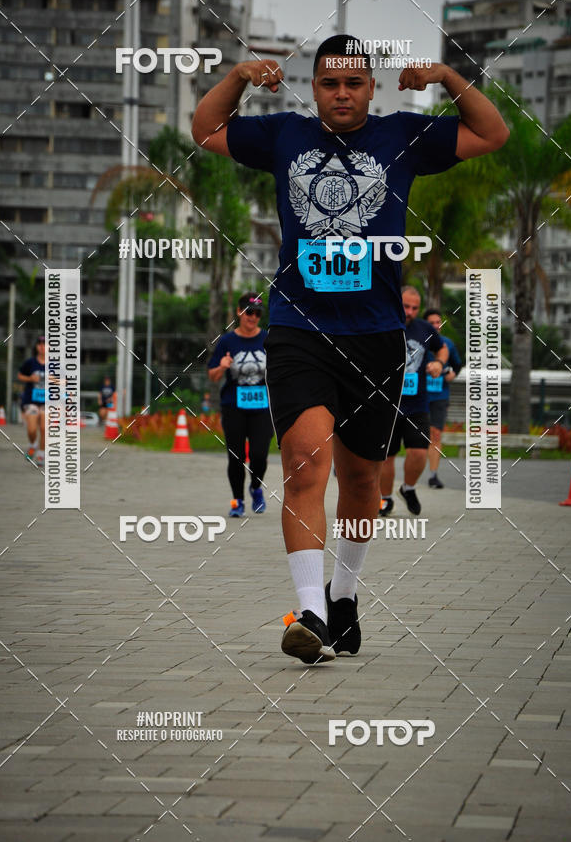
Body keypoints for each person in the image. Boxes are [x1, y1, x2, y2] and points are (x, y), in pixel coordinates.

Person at [192, 34, 509, 663]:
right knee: (306, 461)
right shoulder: (284, 135)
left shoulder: (404, 138)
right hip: (298, 328)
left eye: (354, 83)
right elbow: (206, 130)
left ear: (371, 87)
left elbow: (492, 132)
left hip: (376, 337)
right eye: (330, 83)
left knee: (361, 480)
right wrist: (237, 77)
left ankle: (343, 594)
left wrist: (447, 74)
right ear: (314, 87)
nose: (342, 93)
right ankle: (308, 611)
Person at [380, 287, 448, 517]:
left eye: (414, 308)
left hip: (416, 403)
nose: (409, 311)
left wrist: (438, 363)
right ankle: (385, 499)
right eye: (405, 306)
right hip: (386, 404)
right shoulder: (382, 323)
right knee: (386, 457)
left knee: (419, 452)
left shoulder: (425, 329)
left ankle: (408, 488)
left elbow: (442, 349)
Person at [208, 293, 273, 517]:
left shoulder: (267, 339)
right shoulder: (227, 341)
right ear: (239, 312)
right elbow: (213, 376)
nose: (252, 317)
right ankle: (237, 501)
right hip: (233, 406)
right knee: (235, 456)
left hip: (263, 407)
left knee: (259, 454)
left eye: (257, 313)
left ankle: (256, 487)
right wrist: (223, 366)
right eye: (248, 312)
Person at [423, 307, 462, 489]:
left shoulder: (447, 344)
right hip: (417, 395)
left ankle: (433, 475)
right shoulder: (416, 343)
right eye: (432, 323)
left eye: (438, 322)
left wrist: (452, 375)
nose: (436, 326)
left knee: (436, 434)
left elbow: (457, 365)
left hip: (440, 395)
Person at [18, 336, 46, 464]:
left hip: (48, 401)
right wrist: (30, 379)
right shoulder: (30, 362)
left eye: (45, 344)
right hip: (31, 400)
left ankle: (41, 454)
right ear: (36, 347)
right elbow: (20, 375)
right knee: (32, 429)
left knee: (44, 428)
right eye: (40, 343)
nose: (42, 346)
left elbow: (65, 380)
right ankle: (33, 444)